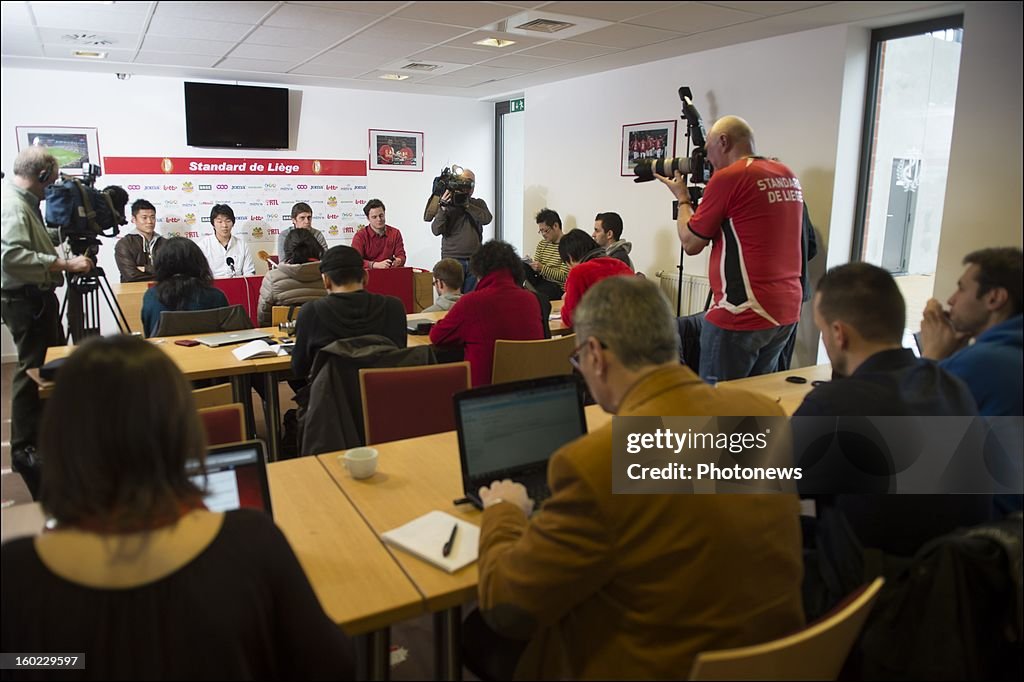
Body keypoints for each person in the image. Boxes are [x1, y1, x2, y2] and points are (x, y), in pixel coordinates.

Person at [466, 277, 804, 680]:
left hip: (658, 667)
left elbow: (509, 609)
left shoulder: (595, 463)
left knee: (478, 634)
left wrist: (504, 511)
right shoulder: (761, 413)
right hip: (773, 662)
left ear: (595, 354)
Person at [0, 335, 355, 680]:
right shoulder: (252, 545)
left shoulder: (15, 576)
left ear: (58, 436)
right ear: (184, 428)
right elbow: (331, 665)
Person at [794, 262, 989, 558]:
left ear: (839, 333)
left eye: (822, 330)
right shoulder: (952, 386)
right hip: (953, 579)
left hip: (871, 590)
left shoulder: (835, 405)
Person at [656, 115, 803, 381]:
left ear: (723, 141)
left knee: (717, 407)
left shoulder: (729, 178)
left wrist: (683, 198)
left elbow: (690, 243)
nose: (707, 159)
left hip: (743, 311)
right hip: (785, 310)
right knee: (754, 401)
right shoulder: (787, 175)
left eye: (708, 150)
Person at [2, 146, 93, 498]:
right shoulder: (12, 205)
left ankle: (49, 439)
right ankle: (27, 450)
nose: (50, 189)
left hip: (35, 299)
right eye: (50, 182)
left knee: (44, 366)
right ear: (39, 176)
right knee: (33, 372)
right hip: (25, 301)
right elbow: (11, 257)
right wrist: (66, 265)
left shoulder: (25, 203)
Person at [919, 247, 1022, 417]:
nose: (951, 300)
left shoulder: (982, 361)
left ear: (994, 298)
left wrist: (932, 353)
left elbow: (905, 429)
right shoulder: (1009, 351)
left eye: (961, 289)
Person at [429, 240, 544, 387]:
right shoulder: (531, 301)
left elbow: (437, 336)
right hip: (529, 389)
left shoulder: (472, 303)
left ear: (478, 269)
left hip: (482, 394)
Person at [291, 245, 406, 381]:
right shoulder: (393, 307)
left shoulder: (311, 312)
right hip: (383, 396)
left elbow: (299, 368)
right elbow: (399, 357)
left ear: (326, 281)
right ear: (365, 277)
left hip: (331, 398)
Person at [141, 237, 229, 337]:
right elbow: (226, 336)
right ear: (198, 261)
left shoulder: (152, 296)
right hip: (208, 351)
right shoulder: (216, 296)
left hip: (165, 352)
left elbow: (150, 334)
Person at [426, 166, 491, 293]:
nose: (468, 185)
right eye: (465, 181)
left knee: (472, 301)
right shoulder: (447, 204)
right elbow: (436, 230)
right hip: (451, 261)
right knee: (450, 302)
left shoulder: (477, 203)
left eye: (471, 182)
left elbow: (486, 219)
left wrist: (466, 204)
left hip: (474, 261)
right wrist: (443, 207)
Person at [557, 229, 633, 328]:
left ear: (570, 258)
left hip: (603, 335)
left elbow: (570, 319)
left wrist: (567, 299)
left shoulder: (579, 273)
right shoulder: (619, 264)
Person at [256, 228, 326, 327]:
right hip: (322, 336)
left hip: (282, 337)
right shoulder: (329, 276)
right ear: (316, 248)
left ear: (286, 250)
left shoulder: (272, 278)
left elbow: (263, 318)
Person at [197, 203, 255, 278]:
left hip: (238, 286)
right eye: (220, 222)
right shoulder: (203, 246)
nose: (224, 225)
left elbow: (249, 272)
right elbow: (200, 275)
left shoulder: (242, 245)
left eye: (228, 221)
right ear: (213, 224)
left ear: (233, 223)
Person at [114, 198, 165, 283]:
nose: (149, 221)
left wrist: (145, 268)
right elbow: (131, 276)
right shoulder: (124, 244)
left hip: (162, 292)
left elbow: (172, 272)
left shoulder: (165, 243)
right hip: (133, 292)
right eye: (144, 218)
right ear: (134, 219)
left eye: (152, 217)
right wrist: (160, 275)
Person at [526, 208, 570, 301]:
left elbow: (564, 277)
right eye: (540, 231)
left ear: (555, 226)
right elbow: (536, 270)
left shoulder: (567, 245)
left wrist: (542, 268)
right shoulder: (542, 244)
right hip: (540, 281)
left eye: (545, 231)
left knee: (536, 295)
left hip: (557, 287)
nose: (543, 234)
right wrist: (530, 265)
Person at [351, 198, 406, 269]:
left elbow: (401, 255)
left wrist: (398, 261)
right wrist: (375, 265)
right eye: (374, 217)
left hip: (389, 272)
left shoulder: (395, 233)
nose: (379, 219)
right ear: (368, 218)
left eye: (381, 215)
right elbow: (355, 261)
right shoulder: (360, 236)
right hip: (368, 275)